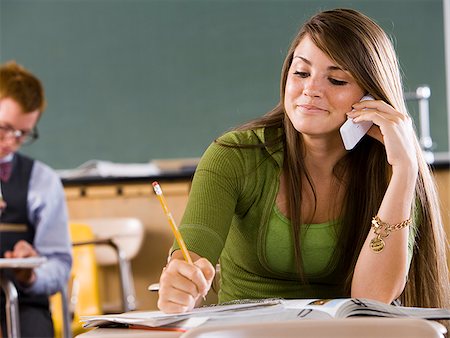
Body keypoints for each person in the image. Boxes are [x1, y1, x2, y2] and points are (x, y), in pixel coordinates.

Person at [157, 7, 450, 319]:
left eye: (336, 80)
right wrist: (180, 281)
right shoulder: (234, 156)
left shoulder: (393, 169)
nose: (311, 89)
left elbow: (372, 299)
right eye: (301, 73)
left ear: (371, 97)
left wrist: (405, 171)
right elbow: (192, 253)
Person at [0, 61, 72, 337]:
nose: (10, 141)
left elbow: (59, 264)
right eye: (4, 128)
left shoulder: (42, 181)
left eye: (22, 134)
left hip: (22, 304)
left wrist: (32, 273)